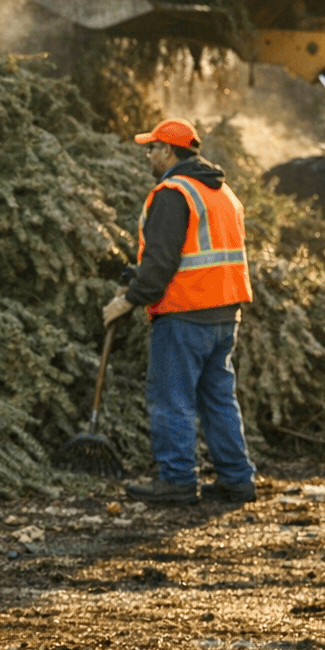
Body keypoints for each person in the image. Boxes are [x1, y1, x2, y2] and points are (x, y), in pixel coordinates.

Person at [102, 118, 256, 505]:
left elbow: (162, 263)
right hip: (224, 313)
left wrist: (128, 299)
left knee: (172, 398)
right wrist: (139, 275)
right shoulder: (223, 193)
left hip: (184, 312)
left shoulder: (173, 192)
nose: (148, 156)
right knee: (219, 398)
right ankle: (237, 479)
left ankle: (177, 480)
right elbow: (191, 253)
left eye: (152, 148)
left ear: (169, 151)